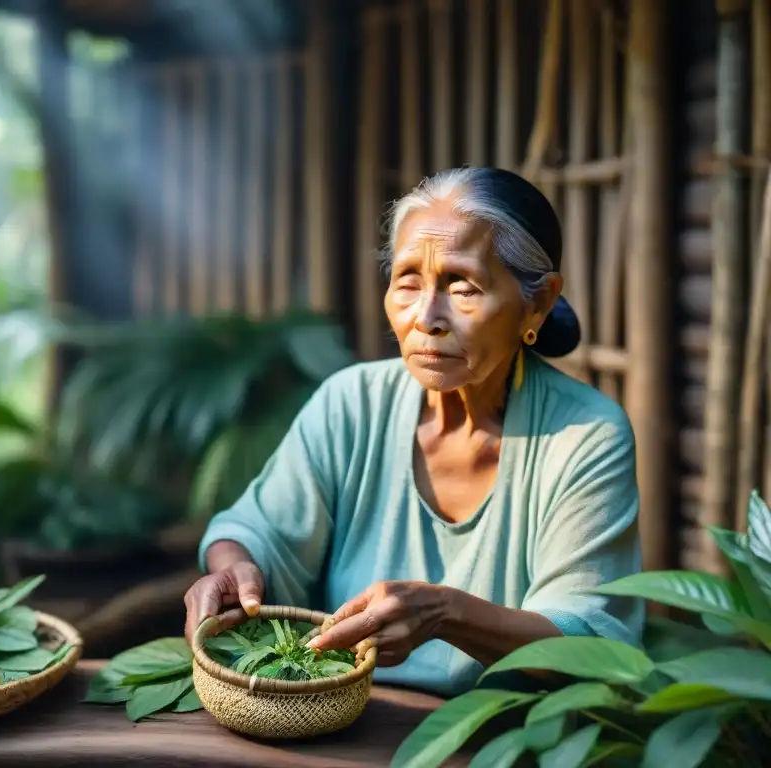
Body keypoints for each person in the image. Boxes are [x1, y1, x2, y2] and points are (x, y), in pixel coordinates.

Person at [183, 167, 644, 696]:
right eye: (408, 282)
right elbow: (256, 529)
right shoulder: (350, 404)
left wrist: (447, 613)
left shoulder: (584, 437)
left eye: (463, 286)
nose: (427, 316)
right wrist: (233, 568)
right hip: (335, 716)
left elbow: (586, 643)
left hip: (495, 740)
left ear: (535, 303)